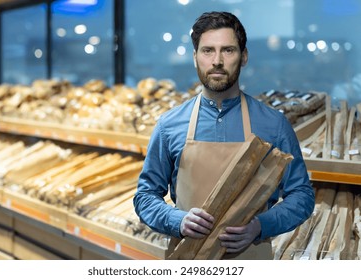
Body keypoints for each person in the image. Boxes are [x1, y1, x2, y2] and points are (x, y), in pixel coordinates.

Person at [133, 11, 315, 258]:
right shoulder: (169, 125)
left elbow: (302, 196)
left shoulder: (274, 124)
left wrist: (260, 226)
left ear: (244, 57)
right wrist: (177, 220)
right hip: (188, 260)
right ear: (195, 57)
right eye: (208, 51)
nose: (217, 60)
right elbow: (145, 196)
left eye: (228, 50)